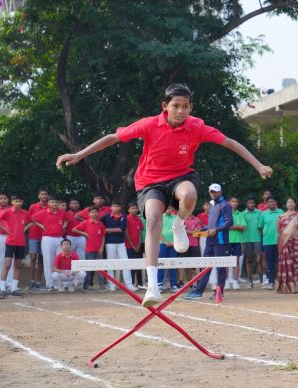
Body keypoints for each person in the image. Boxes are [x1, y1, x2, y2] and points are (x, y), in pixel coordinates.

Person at [56, 83, 273, 307]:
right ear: (165, 106)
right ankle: (152, 286)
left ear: (191, 108)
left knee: (189, 195)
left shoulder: (197, 126)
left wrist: (259, 165)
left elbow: (231, 143)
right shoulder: (150, 124)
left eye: (186, 107)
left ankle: (180, 224)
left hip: (181, 177)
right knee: (153, 219)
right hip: (150, 181)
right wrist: (79, 154)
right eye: (176, 106)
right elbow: (113, 138)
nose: (181, 111)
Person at [185, 183, 234, 300]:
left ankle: (219, 292)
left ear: (220, 192)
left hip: (221, 241)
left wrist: (216, 230)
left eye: (216, 191)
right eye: (212, 191)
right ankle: (198, 292)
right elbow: (212, 224)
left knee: (220, 268)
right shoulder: (212, 206)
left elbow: (229, 222)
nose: (214, 193)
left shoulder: (225, 205)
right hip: (210, 240)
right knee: (206, 267)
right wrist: (203, 228)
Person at [0, 195, 33, 298]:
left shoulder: (25, 213)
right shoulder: (7, 212)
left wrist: (25, 228)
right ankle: (2, 289)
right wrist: (4, 228)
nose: (18, 203)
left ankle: (14, 289)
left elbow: (32, 222)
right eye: (16, 201)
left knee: (18, 265)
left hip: (21, 243)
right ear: (12, 202)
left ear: (22, 202)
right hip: (10, 242)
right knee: (7, 264)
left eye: (20, 201)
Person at [276, 198, 298, 294]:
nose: (290, 204)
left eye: (292, 202)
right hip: (285, 242)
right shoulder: (280, 216)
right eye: (288, 202)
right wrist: (287, 237)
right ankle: (286, 287)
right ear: (286, 205)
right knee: (287, 262)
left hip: (297, 242)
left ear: (295, 204)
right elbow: (278, 230)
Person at [101, 201, 135, 291]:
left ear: (120, 208)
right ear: (111, 208)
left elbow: (121, 229)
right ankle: (111, 284)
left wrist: (108, 229)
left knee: (125, 263)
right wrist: (107, 230)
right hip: (109, 243)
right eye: (114, 206)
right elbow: (101, 227)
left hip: (121, 243)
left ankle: (129, 284)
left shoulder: (124, 217)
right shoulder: (105, 217)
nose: (115, 208)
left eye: (117, 206)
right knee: (110, 264)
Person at [72, 207, 107, 290]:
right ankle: (86, 285)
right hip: (89, 249)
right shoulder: (86, 223)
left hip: (98, 249)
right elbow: (74, 229)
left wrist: (102, 247)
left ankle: (102, 285)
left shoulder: (100, 224)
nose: (94, 214)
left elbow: (103, 236)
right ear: (89, 214)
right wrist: (84, 233)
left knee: (100, 268)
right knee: (88, 268)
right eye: (92, 212)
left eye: (96, 212)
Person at [258, 196, 284, 289]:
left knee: (280, 262)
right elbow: (260, 227)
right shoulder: (263, 214)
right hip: (268, 241)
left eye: (273, 201)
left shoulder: (281, 212)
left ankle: (281, 281)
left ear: (275, 202)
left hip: (279, 241)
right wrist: (266, 234)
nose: (271, 203)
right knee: (269, 263)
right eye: (269, 202)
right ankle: (271, 282)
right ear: (267, 203)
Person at [27, 188, 49, 290]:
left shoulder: (50, 207)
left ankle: (39, 281)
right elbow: (29, 219)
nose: (44, 196)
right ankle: (32, 281)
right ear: (38, 196)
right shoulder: (33, 207)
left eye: (45, 194)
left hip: (45, 236)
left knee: (41, 259)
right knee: (32, 258)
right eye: (42, 194)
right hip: (33, 235)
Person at [239, 196, 264, 288]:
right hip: (246, 239)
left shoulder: (259, 213)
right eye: (249, 203)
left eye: (253, 202)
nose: (251, 204)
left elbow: (262, 226)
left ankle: (261, 281)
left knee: (259, 259)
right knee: (248, 260)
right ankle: (250, 282)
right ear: (246, 204)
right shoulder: (242, 214)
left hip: (257, 239)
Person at [157, 205, 179, 291]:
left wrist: (174, 242)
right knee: (161, 264)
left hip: (173, 244)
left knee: (173, 264)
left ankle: (173, 285)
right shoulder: (160, 217)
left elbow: (178, 231)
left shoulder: (176, 218)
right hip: (162, 244)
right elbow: (157, 230)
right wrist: (165, 241)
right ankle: (159, 285)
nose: (169, 210)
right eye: (167, 208)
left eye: (170, 208)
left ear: (173, 209)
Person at [227, 196, 246, 289]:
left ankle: (235, 281)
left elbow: (243, 227)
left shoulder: (240, 214)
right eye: (232, 201)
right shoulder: (225, 213)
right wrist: (236, 226)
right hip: (227, 240)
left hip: (237, 240)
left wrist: (231, 226)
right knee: (225, 262)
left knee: (236, 262)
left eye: (236, 201)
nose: (234, 203)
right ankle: (226, 281)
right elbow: (224, 227)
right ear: (228, 202)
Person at [126, 202, 145, 287]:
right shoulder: (127, 219)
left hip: (138, 246)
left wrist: (138, 245)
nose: (134, 210)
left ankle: (140, 283)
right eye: (132, 208)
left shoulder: (139, 219)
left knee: (139, 264)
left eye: (135, 208)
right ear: (128, 210)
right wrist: (133, 245)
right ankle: (132, 282)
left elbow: (140, 233)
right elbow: (126, 233)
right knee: (131, 264)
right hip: (129, 246)